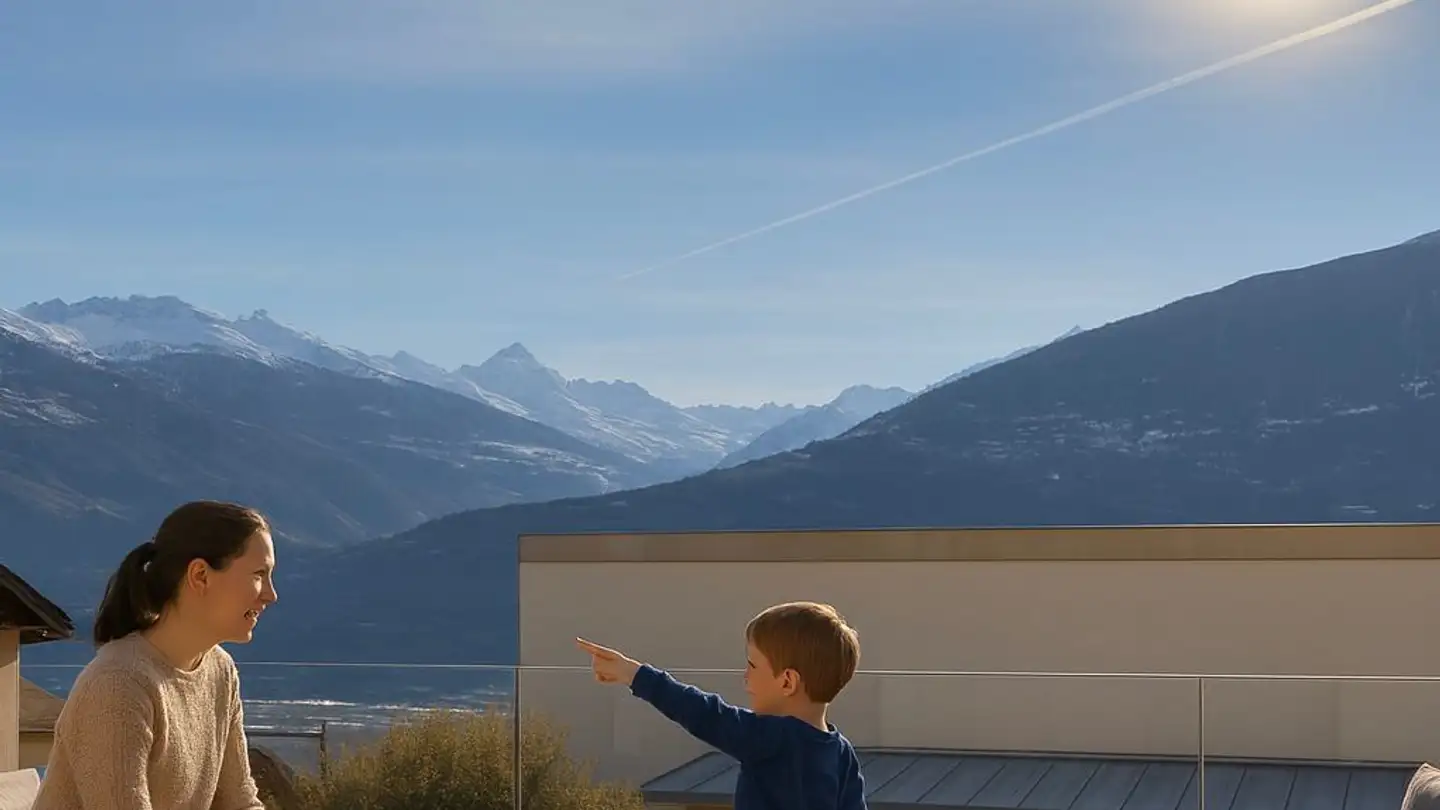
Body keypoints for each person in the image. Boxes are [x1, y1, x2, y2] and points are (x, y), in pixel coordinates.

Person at [33, 500, 279, 810]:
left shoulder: (221, 670)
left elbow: (240, 803)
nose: (271, 594)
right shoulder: (118, 685)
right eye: (259, 574)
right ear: (200, 575)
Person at [576, 601, 867, 810]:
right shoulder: (842, 753)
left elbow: (702, 712)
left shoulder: (768, 737)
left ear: (787, 682)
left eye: (752, 665)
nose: (745, 676)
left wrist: (633, 674)